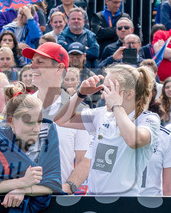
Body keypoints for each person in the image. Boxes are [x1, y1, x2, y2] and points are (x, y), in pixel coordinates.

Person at [57, 65, 159, 196]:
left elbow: (134, 140)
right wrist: (80, 94)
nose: (104, 96)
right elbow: (61, 120)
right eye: (103, 89)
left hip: (124, 203)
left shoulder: (148, 119)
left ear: (129, 94)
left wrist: (116, 105)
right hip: (94, 200)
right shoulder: (102, 115)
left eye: (109, 90)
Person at [0, 81, 62, 211]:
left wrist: (24, 190)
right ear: (10, 121)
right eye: (29, 123)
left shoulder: (49, 130)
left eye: (39, 121)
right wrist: (22, 182)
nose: (37, 129)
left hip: (44, 212)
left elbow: (53, 185)